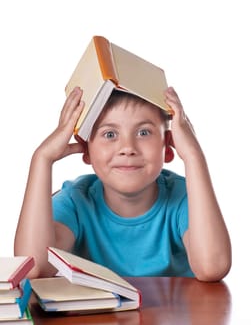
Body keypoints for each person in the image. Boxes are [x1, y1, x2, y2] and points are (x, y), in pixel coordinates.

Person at [14, 86, 231, 281]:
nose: (127, 147)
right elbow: (35, 267)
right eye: (110, 134)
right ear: (87, 149)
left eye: (143, 132)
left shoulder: (184, 196)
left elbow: (213, 267)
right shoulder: (76, 201)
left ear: (167, 146)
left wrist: (193, 156)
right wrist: (42, 159)